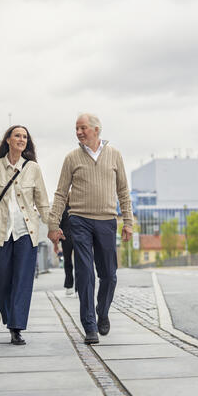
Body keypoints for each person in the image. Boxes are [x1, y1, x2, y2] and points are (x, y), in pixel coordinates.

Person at [48, 113, 133, 345]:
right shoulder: (71, 158)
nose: (78, 132)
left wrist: (128, 222)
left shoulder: (114, 155)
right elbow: (60, 193)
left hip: (107, 221)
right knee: (85, 273)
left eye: (83, 128)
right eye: (76, 128)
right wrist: (53, 224)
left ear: (96, 129)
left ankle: (102, 311)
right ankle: (89, 325)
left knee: (109, 275)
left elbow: (123, 191)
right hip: (79, 220)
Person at [0, 125, 50, 345]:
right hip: (0, 232)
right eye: (17, 135)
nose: (21, 139)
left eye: (25, 137)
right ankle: (9, 316)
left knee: (22, 280)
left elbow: (42, 203)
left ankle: (16, 327)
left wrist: (54, 227)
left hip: (26, 233)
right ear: (8, 139)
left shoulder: (33, 169)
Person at [60, 205, 75, 296]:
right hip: (78, 237)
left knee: (67, 262)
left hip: (66, 238)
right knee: (80, 262)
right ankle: (78, 287)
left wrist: (56, 244)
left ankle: (69, 286)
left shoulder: (63, 210)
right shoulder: (77, 208)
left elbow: (60, 226)